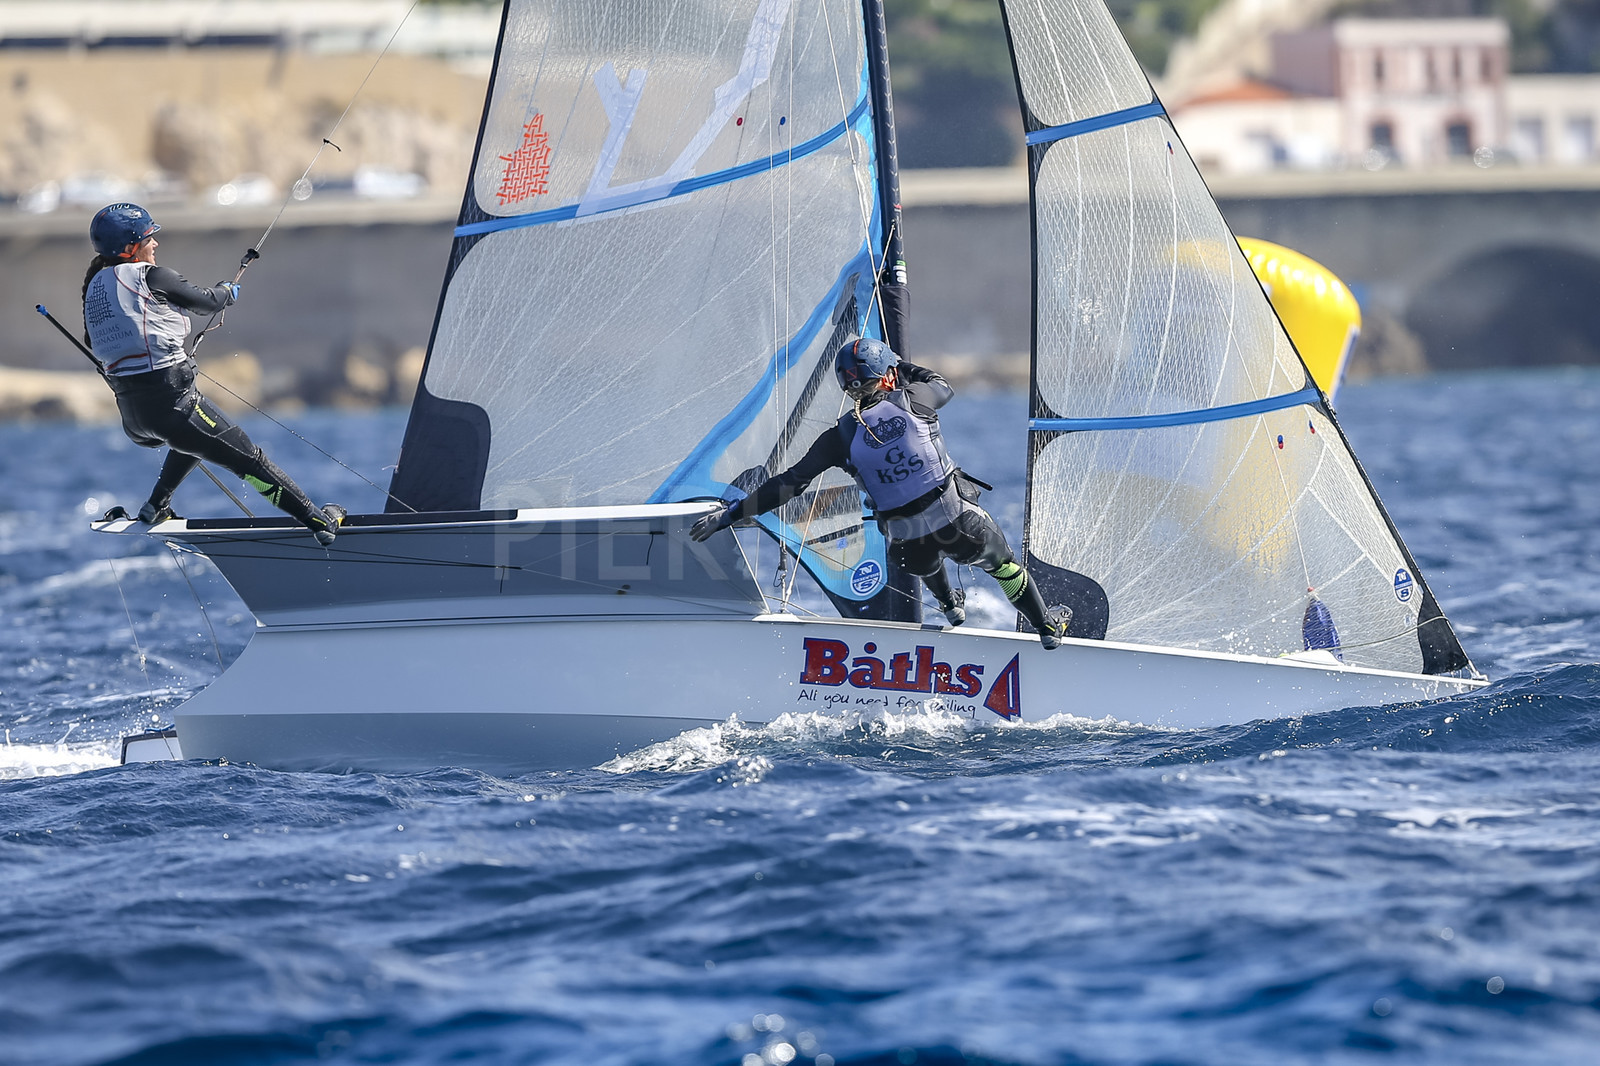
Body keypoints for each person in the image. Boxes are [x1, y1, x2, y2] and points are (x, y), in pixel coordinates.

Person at [691, 338, 1068, 648]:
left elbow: (787, 484)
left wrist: (729, 515)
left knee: (923, 554)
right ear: (888, 376)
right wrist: (901, 365)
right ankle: (1047, 629)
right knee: (1004, 568)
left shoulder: (838, 438)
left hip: (908, 551)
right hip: (961, 527)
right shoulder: (917, 400)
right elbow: (942, 385)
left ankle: (949, 605)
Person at [81, 203, 344, 545]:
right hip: (173, 405)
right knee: (251, 462)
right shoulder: (153, 276)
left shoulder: (94, 288)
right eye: (149, 238)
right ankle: (318, 522)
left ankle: (156, 506)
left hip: (134, 417)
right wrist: (226, 292)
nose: (156, 244)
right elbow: (208, 302)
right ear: (131, 247)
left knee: (194, 439)